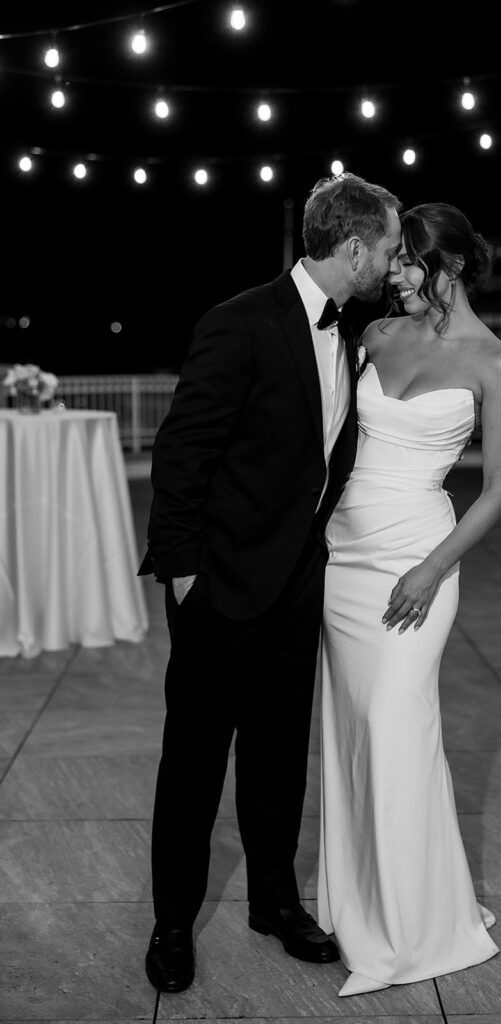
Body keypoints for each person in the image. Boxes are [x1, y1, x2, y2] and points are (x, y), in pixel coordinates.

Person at [139, 173, 402, 993]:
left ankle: (273, 901)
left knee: (280, 755)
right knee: (194, 761)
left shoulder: (352, 334)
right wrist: (185, 578)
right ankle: (173, 923)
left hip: (297, 585)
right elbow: (180, 458)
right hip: (218, 586)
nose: (393, 264)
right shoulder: (239, 321)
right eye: (388, 248)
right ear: (353, 245)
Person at [318, 202, 501, 996]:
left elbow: (497, 490)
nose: (394, 275)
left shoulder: (496, 363)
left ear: (453, 267)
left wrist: (431, 569)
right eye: (394, 260)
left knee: (395, 725)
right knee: (350, 732)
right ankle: (361, 901)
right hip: (342, 560)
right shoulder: (375, 337)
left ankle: (413, 929)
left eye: (408, 262)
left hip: (418, 562)